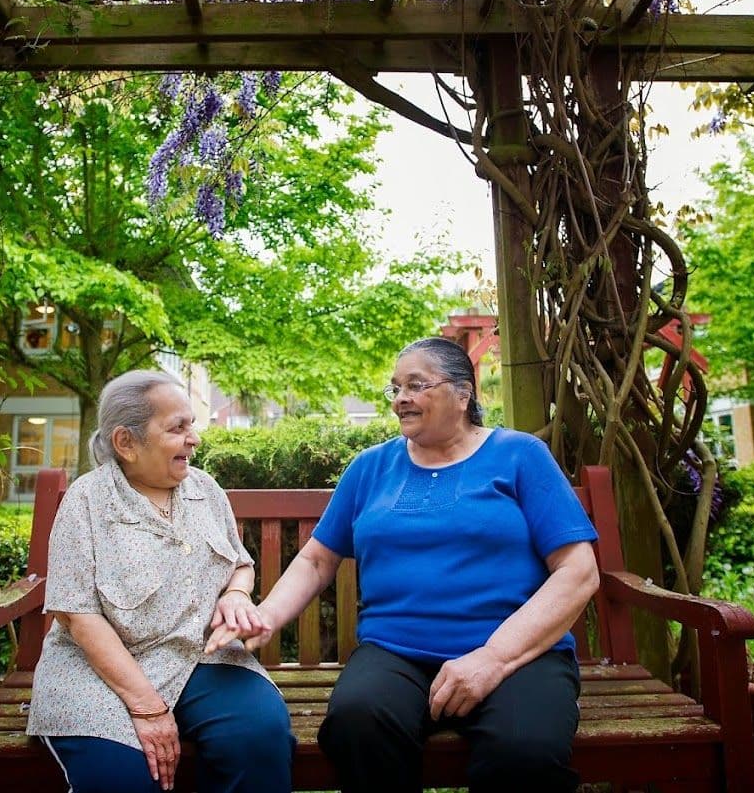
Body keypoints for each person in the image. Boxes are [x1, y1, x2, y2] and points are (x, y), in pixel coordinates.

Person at [207, 337, 601, 793]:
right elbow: (317, 559)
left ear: (463, 393)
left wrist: (493, 658)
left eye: (415, 385)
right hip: (396, 653)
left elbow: (578, 571)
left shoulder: (520, 456)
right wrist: (267, 616)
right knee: (357, 724)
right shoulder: (371, 467)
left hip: (518, 656)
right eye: (394, 388)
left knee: (523, 752)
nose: (400, 399)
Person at [28, 370, 294, 793]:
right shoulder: (87, 501)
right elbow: (77, 616)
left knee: (258, 738)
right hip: (100, 671)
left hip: (199, 658)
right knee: (121, 779)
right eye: (178, 428)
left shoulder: (204, 489)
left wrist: (237, 594)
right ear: (126, 443)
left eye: (192, 424)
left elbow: (239, 564)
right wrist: (148, 708)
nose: (195, 438)